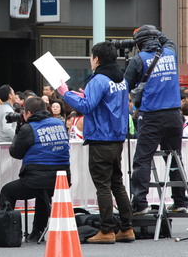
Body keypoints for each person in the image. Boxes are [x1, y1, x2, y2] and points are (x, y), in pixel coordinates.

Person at [58, 41, 134, 244]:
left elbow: (86, 106)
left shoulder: (98, 80)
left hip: (101, 139)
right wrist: (86, 95)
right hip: (117, 138)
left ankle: (107, 230)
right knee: (117, 184)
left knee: (103, 186)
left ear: (97, 59)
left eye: (92, 57)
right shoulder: (121, 79)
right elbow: (104, 103)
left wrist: (65, 92)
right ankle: (127, 228)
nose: (91, 61)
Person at [124, 24, 188, 215]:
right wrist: (153, 32)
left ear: (139, 44)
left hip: (152, 116)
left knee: (143, 159)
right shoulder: (170, 53)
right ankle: (180, 201)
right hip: (174, 115)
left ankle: (140, 203)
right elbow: (167, 40)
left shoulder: (138, 60)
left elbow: (125, 85)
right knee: (174, 157)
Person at [0, 97, 70, 242]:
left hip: (36, 180)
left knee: (7, 190)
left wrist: (20, 130)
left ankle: (4, 232)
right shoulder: (59, 123)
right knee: (43, 192)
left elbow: (15, 153)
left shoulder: (29, 128)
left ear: (28, 113)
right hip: (62, 180)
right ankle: (37, 231)